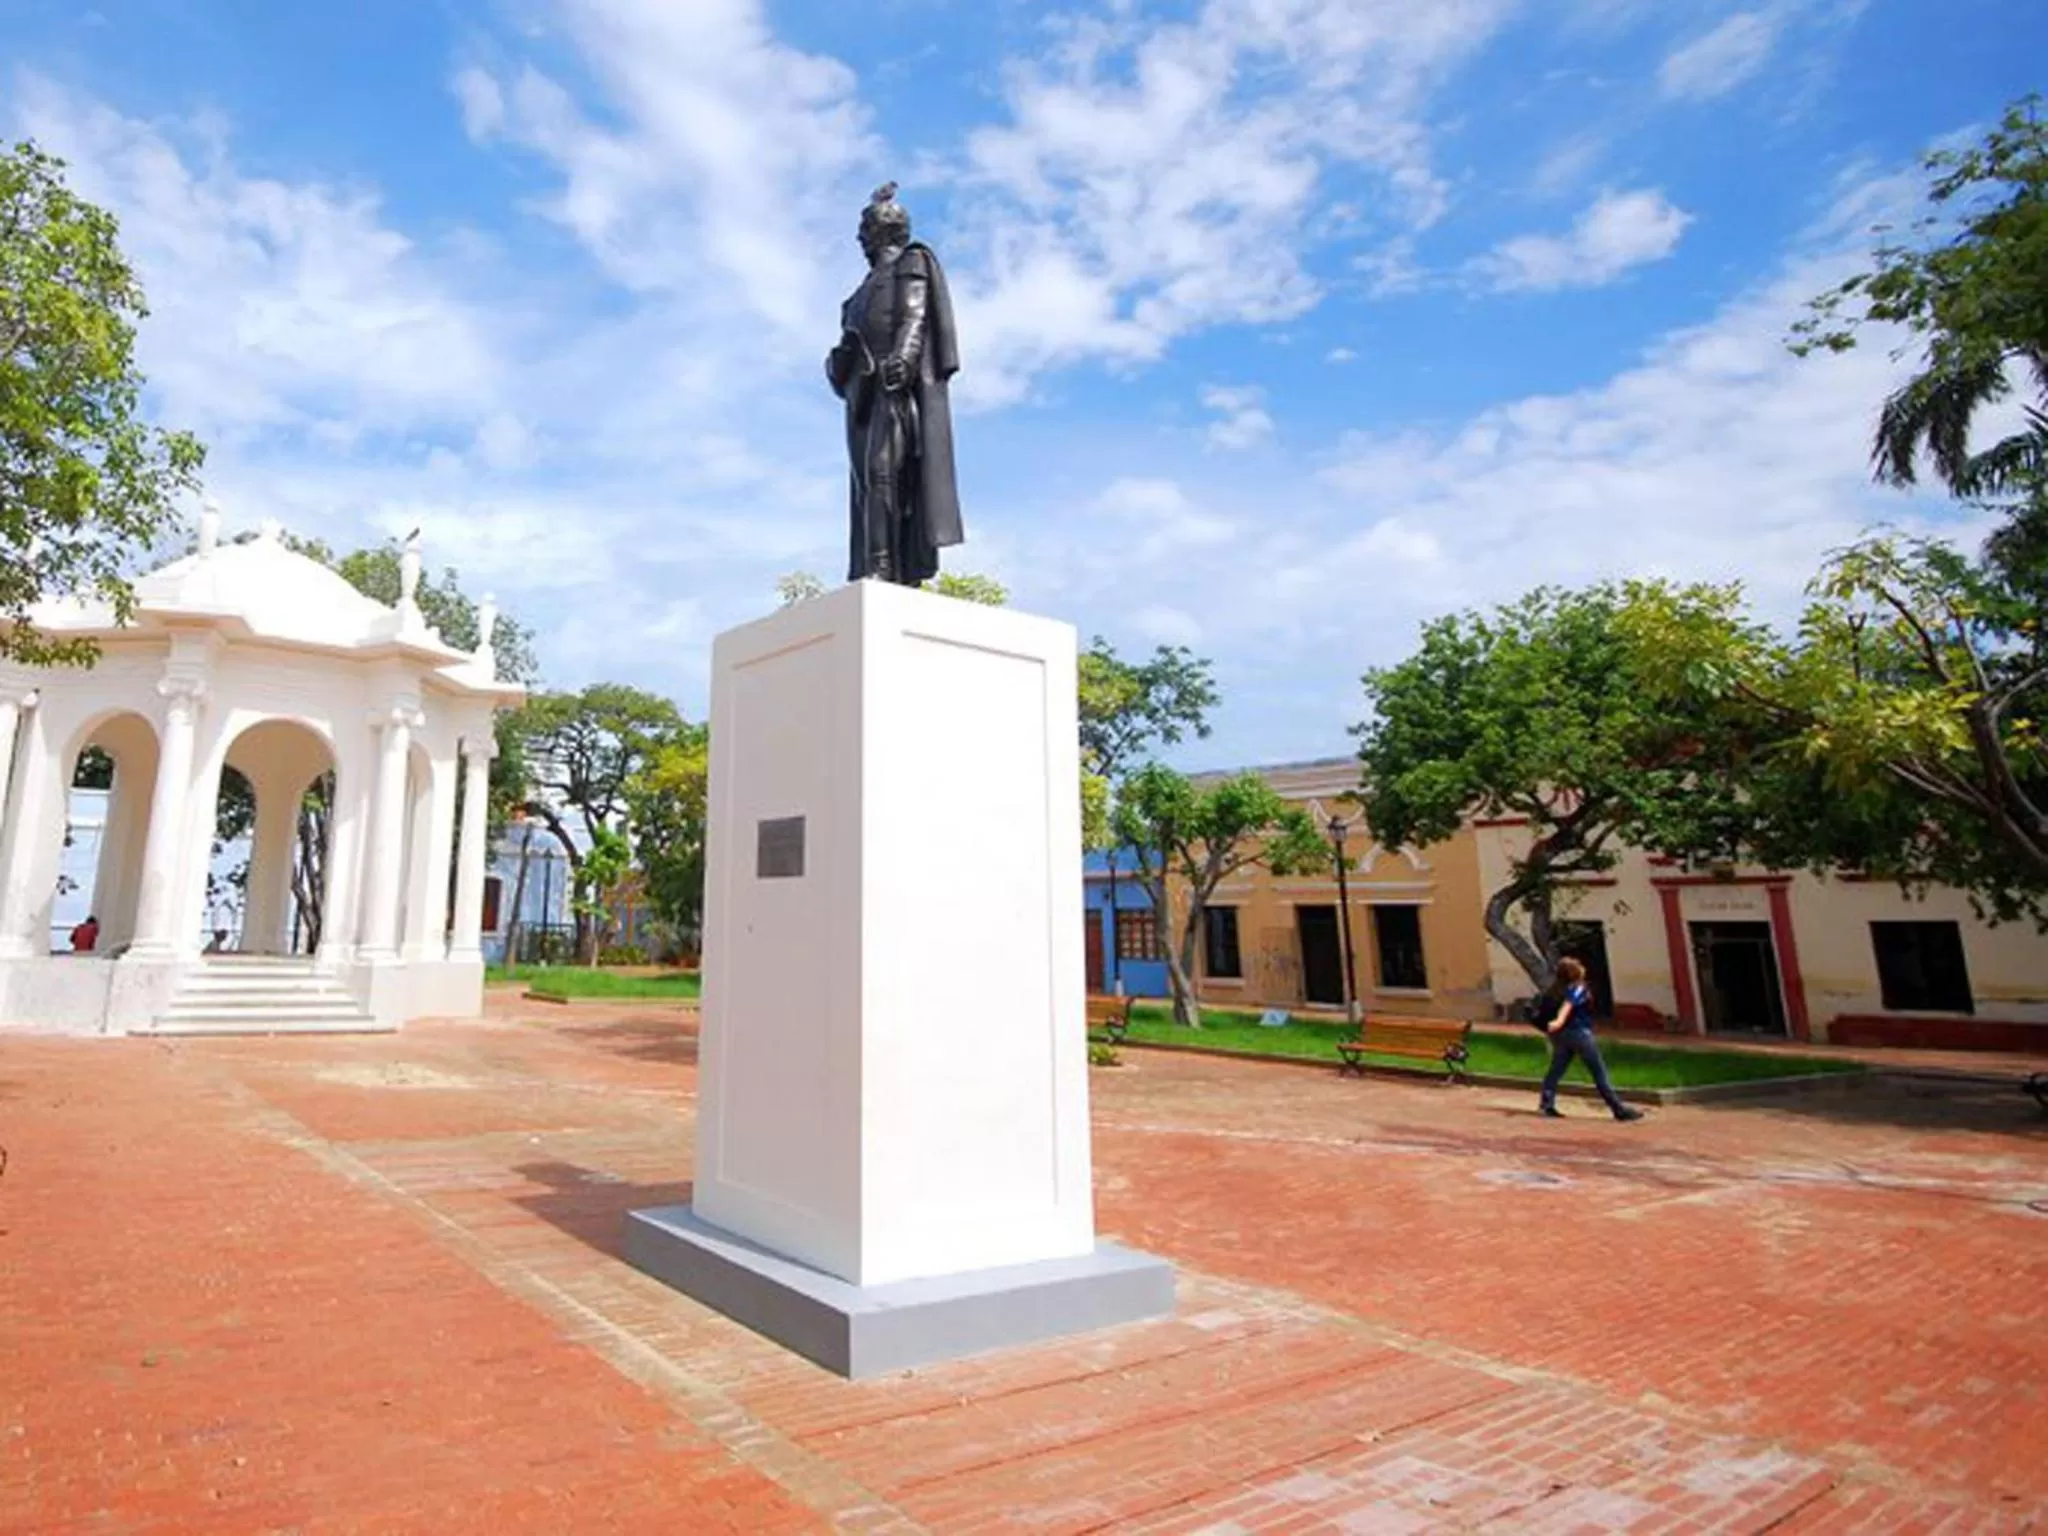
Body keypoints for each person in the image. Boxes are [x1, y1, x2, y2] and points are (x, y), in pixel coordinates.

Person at [826, 181, 964, 586]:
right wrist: (839, 361)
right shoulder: (854, 299)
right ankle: (870, 564)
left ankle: (883, 566)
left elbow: (913, 316)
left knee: (883, 472)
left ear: (882, 231)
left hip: (893, 388)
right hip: (861, 397)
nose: (859, 238)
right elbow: (840, 361)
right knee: (864, 483)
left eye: (864, 228)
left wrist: (904, 357)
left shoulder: (910, 262)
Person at [1539, 956, 1643, 1121]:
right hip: (1579, 1034)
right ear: (1574, 972)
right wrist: (1559, 1020)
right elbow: (1568, 1005)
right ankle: (1618, 1109)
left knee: (1556, 1070)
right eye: (1578, 965)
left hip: (1561, 1036)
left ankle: (1546, 1104)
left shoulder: (1555, 989)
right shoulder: (1577, 988)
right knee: (1599, 1072)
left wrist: (1555, 1026)